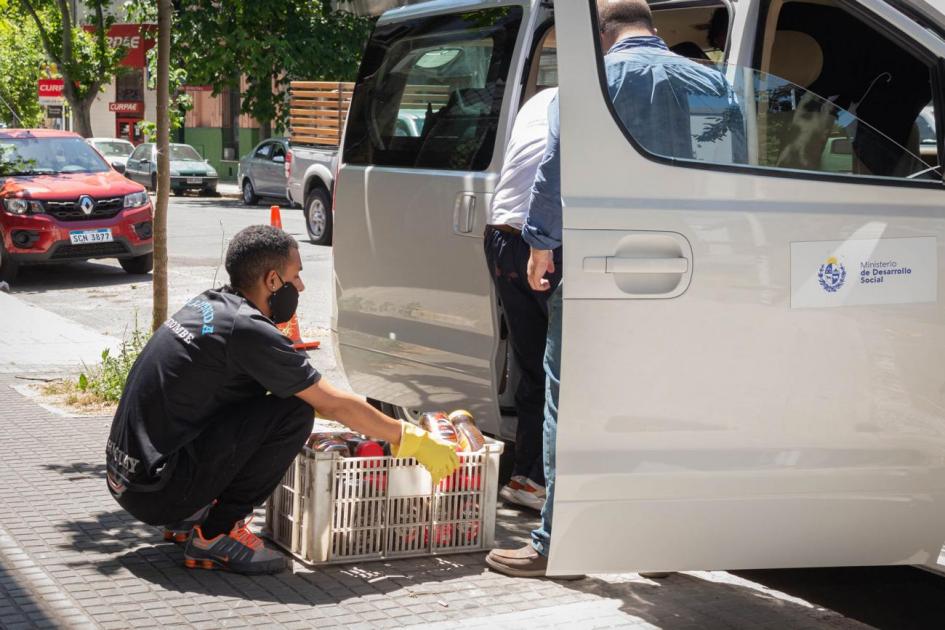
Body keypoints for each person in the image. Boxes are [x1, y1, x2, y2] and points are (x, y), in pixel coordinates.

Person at [486, 0, 740, 578]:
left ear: (602, 33)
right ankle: (659, 541)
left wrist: (541, 246)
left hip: (606, 263)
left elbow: (555, 168)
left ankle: (559, 544)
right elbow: (729, 167)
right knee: (669, 401)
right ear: (654, 29)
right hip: (689, 264)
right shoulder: (712, 82)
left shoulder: (594, 83)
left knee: (568, 397)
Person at [106, 225, 458, 575]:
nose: (301, 286)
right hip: (157, 489)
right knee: (294, 410)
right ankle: (215, 534)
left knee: (263, 395)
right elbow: (330, 402)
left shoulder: (210, 305)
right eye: (297, 276)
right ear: (272, 280)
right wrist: (408, 437)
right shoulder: (246, 329)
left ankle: (190, 515)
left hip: (130, 478)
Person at [484, 86, 561, 512]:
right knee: (565, 368)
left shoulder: (541, 97)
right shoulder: (601, 92)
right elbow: (554, 169)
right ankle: (545, 478)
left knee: (533, 365)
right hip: (542, 242)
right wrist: (543, 243)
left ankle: (525, 478)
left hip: (500, 234)